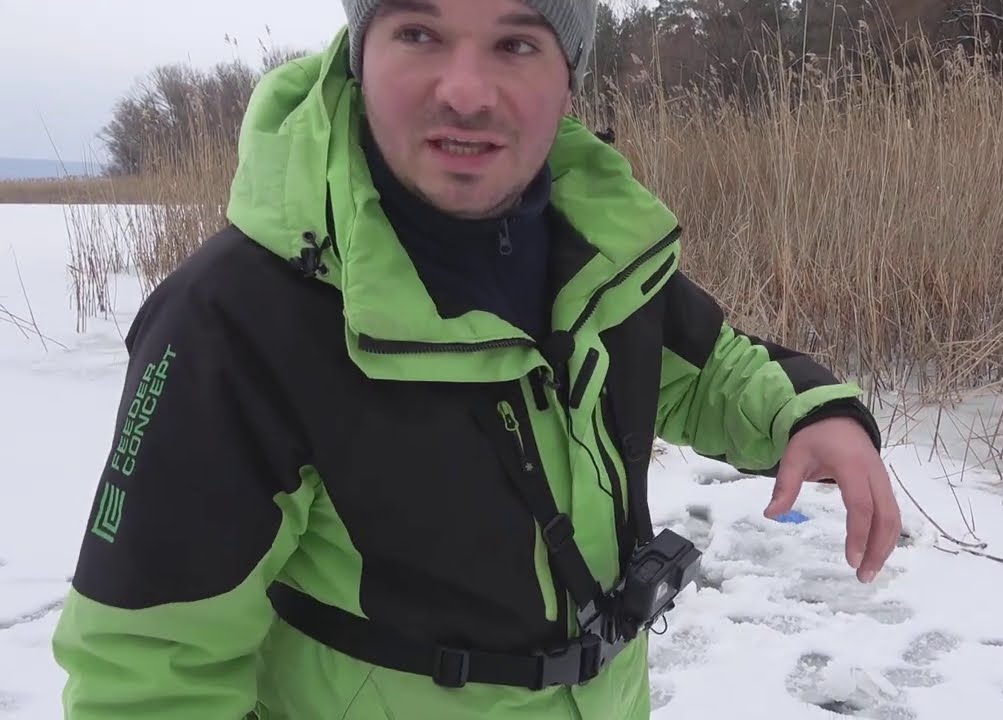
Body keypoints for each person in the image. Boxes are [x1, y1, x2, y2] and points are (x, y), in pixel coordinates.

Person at [50, 1, 900, 717]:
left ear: (568, 73)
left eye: (516, 43)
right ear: (358, 52)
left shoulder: (598, 247)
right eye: (419, 32)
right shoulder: (240, 316)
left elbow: (706, 366)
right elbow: (147, 674)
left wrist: (810, 412)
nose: (465, 91)